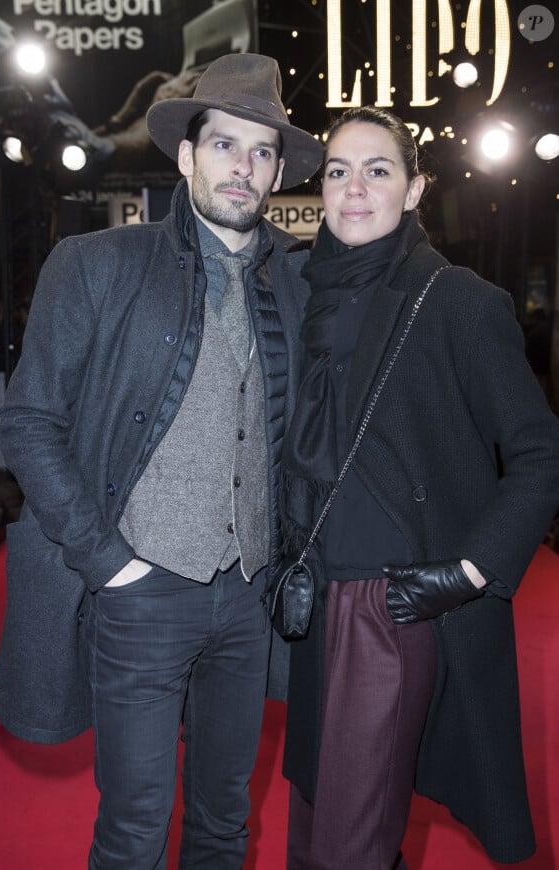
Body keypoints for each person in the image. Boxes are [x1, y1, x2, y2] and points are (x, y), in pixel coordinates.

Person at [0, 52, 323, 869]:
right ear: (185, 155)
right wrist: (110, 564)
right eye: (224, 146)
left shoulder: (302, 285)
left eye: (261, 151)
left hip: (248, 599)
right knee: (135, 829)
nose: (242, 169)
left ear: (279, 171)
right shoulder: (98, 266)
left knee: (222, 819)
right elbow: (27, 423)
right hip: (141, 592)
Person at [278, 106, 559, 870]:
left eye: (379, 170)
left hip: (395, 606)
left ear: (415, 188)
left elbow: (541, 455)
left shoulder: (457, 300)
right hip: (315, 600)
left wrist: (469, 571)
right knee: (313, 833)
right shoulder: (308, 295)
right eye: (338, 171)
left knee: (350, 846)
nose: (355, 188)